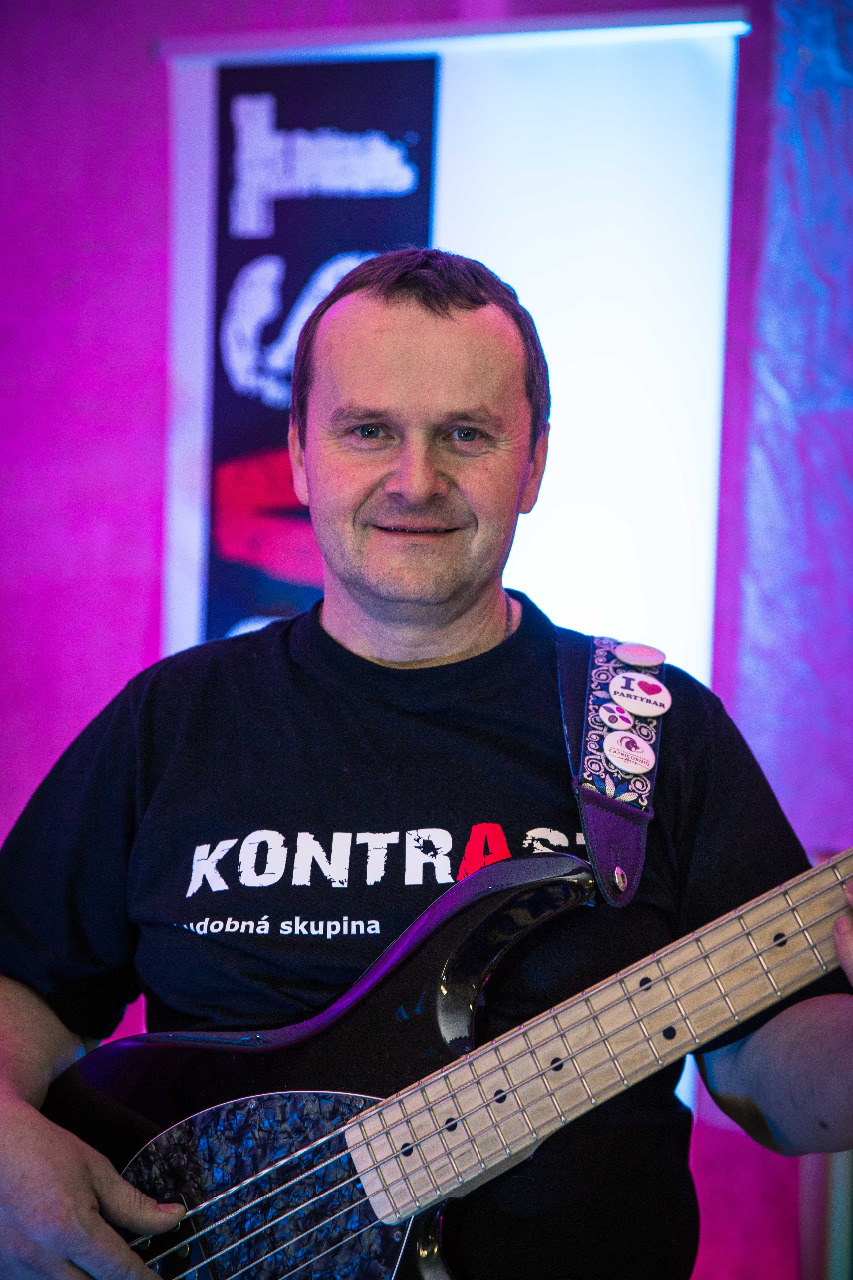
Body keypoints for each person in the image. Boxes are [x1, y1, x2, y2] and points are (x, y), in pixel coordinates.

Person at [1, 247, 852, 1280]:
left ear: (532, 463)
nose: (416, 480)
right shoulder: (172, 722)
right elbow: (21, 985)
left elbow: (768, 1076)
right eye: (368, 430)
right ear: (302, 455)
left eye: (466, 434)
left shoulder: (653, 730)